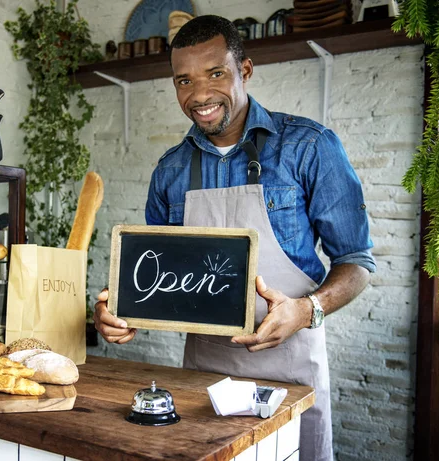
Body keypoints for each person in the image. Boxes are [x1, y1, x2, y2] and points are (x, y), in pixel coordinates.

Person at [94, 15, 375, 461]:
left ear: (245, 70)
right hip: (202, 376)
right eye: (183, 80)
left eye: (216, 74)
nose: (199, 95)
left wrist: (307, 310)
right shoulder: (169, 170)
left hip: (291, 368)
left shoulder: (309, 146)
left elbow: (357, 262)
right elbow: (151, 278)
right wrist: (115, 312)